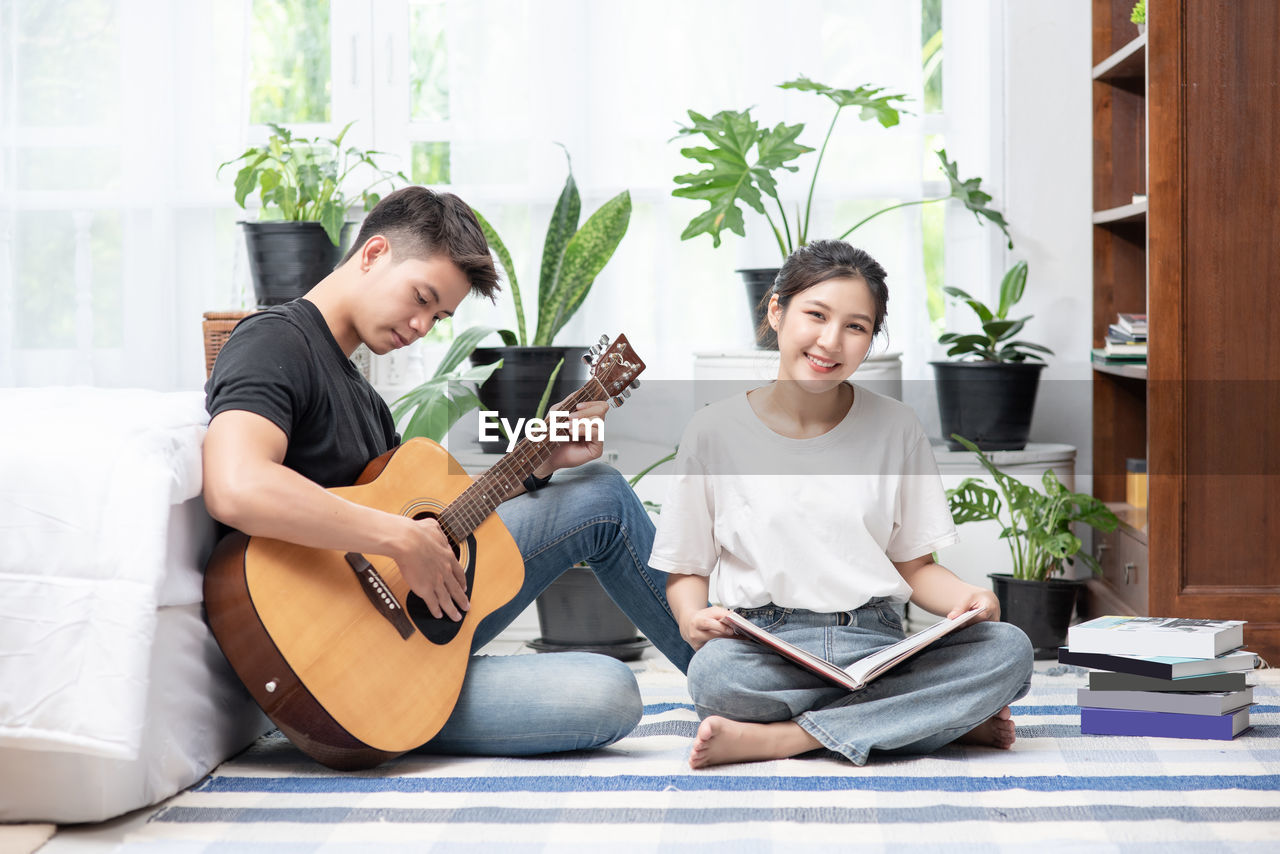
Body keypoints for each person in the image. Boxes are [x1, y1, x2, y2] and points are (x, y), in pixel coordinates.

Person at [203, 186, 692, 757]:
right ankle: (743, 681)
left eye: (438, 317)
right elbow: (236, 486)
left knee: (599, 494)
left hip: (399, 644)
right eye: (421, 297)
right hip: (325, 669)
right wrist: (398, 536)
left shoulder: (365, 400)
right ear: (373, 253)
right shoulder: (274, 340)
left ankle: (732, 682)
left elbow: (437, 532)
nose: (420, 325)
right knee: (610, 692)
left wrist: (540, 463)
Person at [649, 239, 1033, 769]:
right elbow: (686, 569)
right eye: (816, 314)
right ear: (776, 310)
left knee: (1008, 650)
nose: (831, 341)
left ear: (871, 339)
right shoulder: (711, 432)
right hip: (767, 649)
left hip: (876, 645)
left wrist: (967, 597)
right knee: (714, 679)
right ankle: (930, 720)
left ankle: (787, 739)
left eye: (856, 326)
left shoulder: (897, 426)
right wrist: (692, 618)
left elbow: (915, 568)